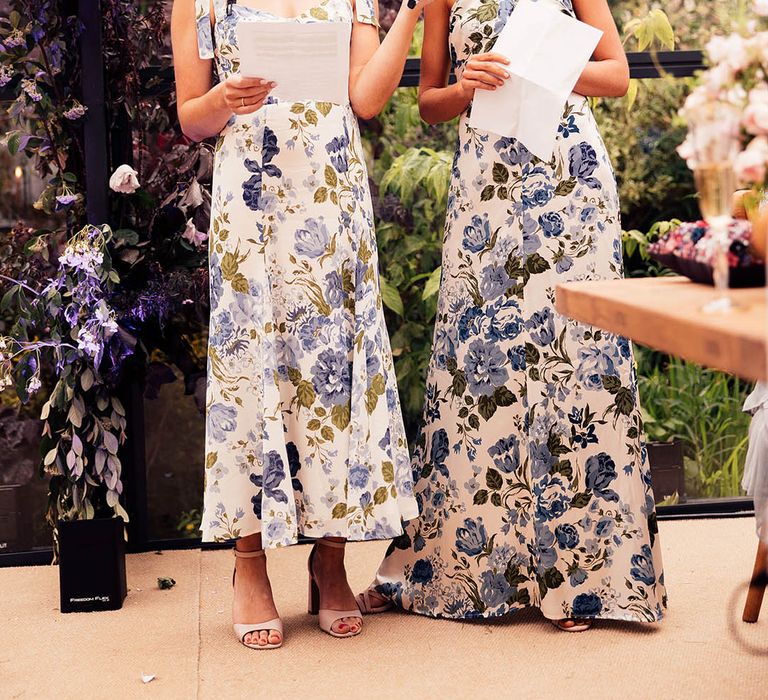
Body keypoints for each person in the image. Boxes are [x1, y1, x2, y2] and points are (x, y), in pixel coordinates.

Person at [357, 0, 667, 631]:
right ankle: (478, 571)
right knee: (482, 369)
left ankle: (578, 580)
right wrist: (465, 85)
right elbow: (428, 103)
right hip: (487, 191)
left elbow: (617, 75)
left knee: (577, 364)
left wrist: (546, 69)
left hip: (569, 185)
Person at [171, 0, 431, 648]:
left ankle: (331, 559)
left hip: (333, 196)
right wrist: (227, 98)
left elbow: (366, 99)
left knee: (334, 378)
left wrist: (415, 14)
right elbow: (191, 117)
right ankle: (249, 562)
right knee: (253, 372)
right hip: (251, 204)